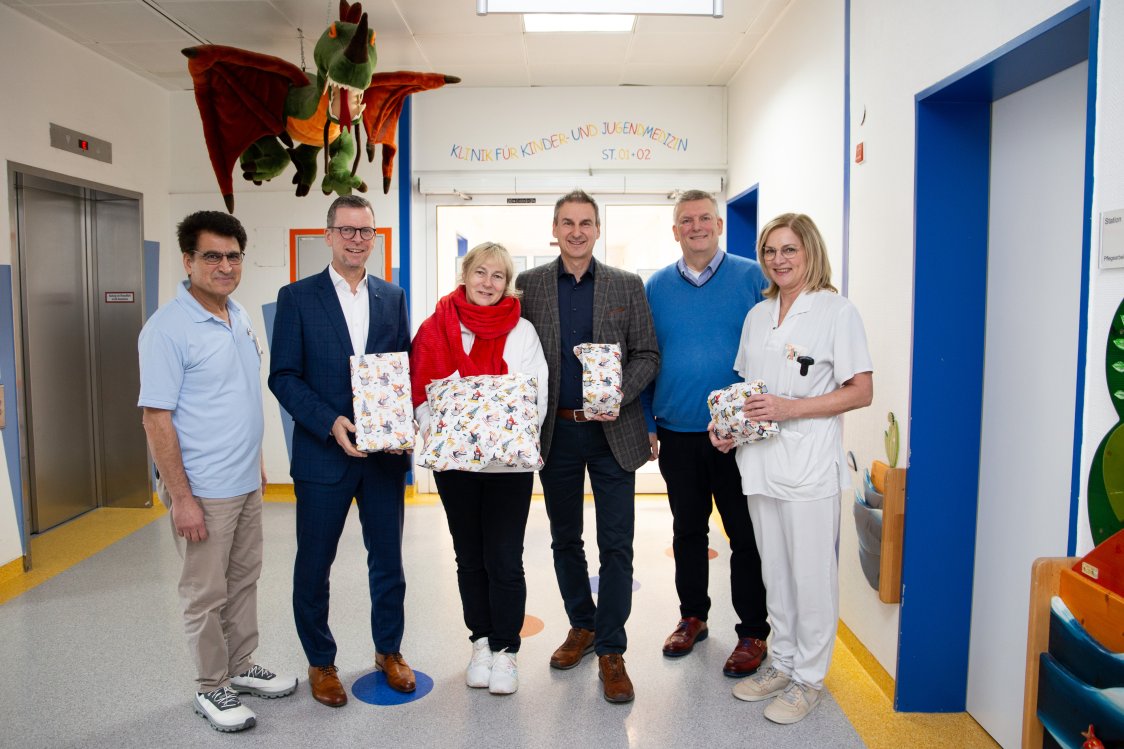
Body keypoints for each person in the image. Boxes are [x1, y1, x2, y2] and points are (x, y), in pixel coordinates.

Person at [711, 213, 873, 725]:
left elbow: (861, 391)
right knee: (775, 573)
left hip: (808, 467)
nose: (778, 260)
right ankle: (781, 663)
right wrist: (729, 427)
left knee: (811, 578)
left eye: (789, 250)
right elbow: (749, 389)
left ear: (810, 253)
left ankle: (809, 679)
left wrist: (791, 409)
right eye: (770, 251)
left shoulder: (836, 312)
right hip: (759, 464)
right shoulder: (759, 315)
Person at [139, 210, 297, 733]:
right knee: (205, 593)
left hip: (244, 481)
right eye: (213, 256)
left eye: (233, 256)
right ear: (188, 261)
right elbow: (156, 418)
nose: (225, 266)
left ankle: (241, 664)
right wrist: (181, 498)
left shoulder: (238, 314)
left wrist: (257, 462)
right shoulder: (168, 329)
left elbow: (238, 396)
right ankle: (211, 686)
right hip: (203, 489)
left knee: (244, 580)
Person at [268, 195, 415, 707]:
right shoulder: (297, 297)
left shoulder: (392, 297)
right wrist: (329, 422)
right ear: (328, 235)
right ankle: (320, 661)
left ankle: (389, 651)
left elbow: (400, 368)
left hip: (382, 459)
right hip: (322, 456)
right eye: (347, 230)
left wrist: (407, 419)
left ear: (374, 238)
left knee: (388, 562)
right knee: (314, 565)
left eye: (365, 231)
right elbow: (283, 376)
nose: (356, 239)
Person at [516, 190, 660, 704]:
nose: (576, 231)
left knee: (616, 544)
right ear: (554, 230)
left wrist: (618, 392)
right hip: (556, 433)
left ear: (598, 229)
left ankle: (612, 649)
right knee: (564, 539)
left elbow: (648, 354)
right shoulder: (529, 285)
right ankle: (582, 624)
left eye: (585, 223)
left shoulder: (626, 284)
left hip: (613, 433)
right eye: (567, 223)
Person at [410, 242, 549, 696]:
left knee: (504, 558)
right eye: (480, 272)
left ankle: (507, 650)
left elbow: (534, 393)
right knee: (469, 557)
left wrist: (497, 435)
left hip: (508, 467)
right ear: (465, 274)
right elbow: (421, 390)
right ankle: (481, 643)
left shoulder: (522, 331)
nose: (488, 283)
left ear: (507, 284)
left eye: (498, 276)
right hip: (455, 468)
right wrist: (441, 432)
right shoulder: (435, 327)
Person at [642, 189, 771, 677]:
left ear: (719, 224)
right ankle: (692, 617)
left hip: (736, 435)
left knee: (744, 534)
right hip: (677, 431)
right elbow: (646, 356)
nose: (695, 227)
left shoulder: (752, 277)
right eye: (686, 220)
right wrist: (648, 421)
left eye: (704, 218)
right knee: (688, 531)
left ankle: (753, 631)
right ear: (675, 230)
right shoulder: (656, 287)